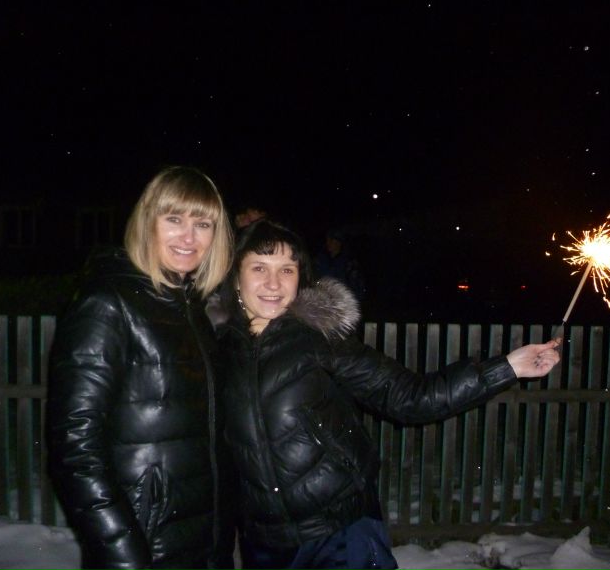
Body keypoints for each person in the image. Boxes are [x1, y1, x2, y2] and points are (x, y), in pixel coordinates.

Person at [216, 219, 560, 570]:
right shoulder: (216, 349)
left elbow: (410, 397)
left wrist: (507, 367)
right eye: (259, 268)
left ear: (300, 278)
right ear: (236, 277)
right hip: (264, 543)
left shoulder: (320, 339)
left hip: (340, 532)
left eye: (287, 269)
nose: (274, 283)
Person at [46, 166, 235, 570]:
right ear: (147, 221)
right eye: (174, 219)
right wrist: (123, 553)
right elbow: (75, 449)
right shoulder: (108, 304)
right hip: (143, 547)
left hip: (201, 545)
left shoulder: (192, 309)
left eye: (203, 224)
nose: (189, 237)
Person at [315, 228, 366, 302]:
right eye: (327, 240)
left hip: (341, 304)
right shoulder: (320, 259)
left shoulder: (349, 263)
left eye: (331, 240)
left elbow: (358, 290)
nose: (328, 243)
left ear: (339, 242)